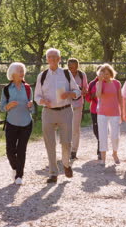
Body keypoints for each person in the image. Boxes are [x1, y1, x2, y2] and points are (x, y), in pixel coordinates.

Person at [34, 48, 81, 183]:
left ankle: (66, 164)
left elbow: (77, 91)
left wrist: (69, 94)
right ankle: (53, 172)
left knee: (66, 143)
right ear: (47, 59)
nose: (53, 59)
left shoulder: (66, 74)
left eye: (55, 57)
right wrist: (42, 101)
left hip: (65, 111)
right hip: (48, 112)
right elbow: (36, 96)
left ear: (59, 59)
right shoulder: (42, 76)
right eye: (50, 57)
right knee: (50, 143)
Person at [0, 62, 34, 185]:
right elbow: (2, 107)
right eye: (19, 70)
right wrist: (8, 106)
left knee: (21, 150)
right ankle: (15, 167)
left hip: (26, 123)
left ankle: (19, 175)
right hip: (11, 124)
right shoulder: (6, 89)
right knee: (10, 151)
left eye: (22, 70)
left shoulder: (28, 88)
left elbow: (33, 109)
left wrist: (31, 105)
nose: (22, 73)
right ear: (13, 73)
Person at [95, 63, 123, 166]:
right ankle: (103, 158)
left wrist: (123, 111)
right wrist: (101, 81)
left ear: (111, 73)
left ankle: (115, 153)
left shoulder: (117, 83)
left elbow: (120, 98)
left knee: (115, 135)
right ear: (100, 74)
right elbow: (98, 95)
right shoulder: (99, 84)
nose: (105, 76)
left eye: (107, 73)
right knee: (102, 135)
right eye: (103, 74)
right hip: (102, 113)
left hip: (115, 112)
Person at [67, 58, 88, 160]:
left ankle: (73, 151)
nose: (73, 70)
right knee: (66, 128)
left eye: (75, 68)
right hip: (66, 105)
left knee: (75, 128)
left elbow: (86, 89)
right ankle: (66, 149)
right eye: (71, 68)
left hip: (78, 104)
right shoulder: (64, 75)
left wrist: (84, 91)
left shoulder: (82, 75)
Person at [85, 65, 102, 160]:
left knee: (102, 129)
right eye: (100, 71)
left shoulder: (108, 82)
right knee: (96, 130)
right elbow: (87, 99)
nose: (102, 74)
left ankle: (100, 150)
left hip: (105, 110)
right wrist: (93, 95)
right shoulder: (92, 84)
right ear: (97, 72)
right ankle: (101, 143)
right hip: (94, 110)